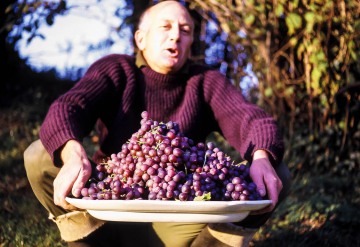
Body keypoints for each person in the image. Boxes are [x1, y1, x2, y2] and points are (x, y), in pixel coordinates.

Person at [24, 1, 291, 247]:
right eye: (165, 27)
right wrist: (72, 153)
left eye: (185, 30)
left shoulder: (206, 82)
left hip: (178, 219)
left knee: (274, 172)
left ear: (190, 42)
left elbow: (250, 118)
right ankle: (89, 242)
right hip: (106, 211)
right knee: (39, 155)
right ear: (141, 38)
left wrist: (261, 156)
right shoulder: (116, 69)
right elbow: (68, 107)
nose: (176, 35)